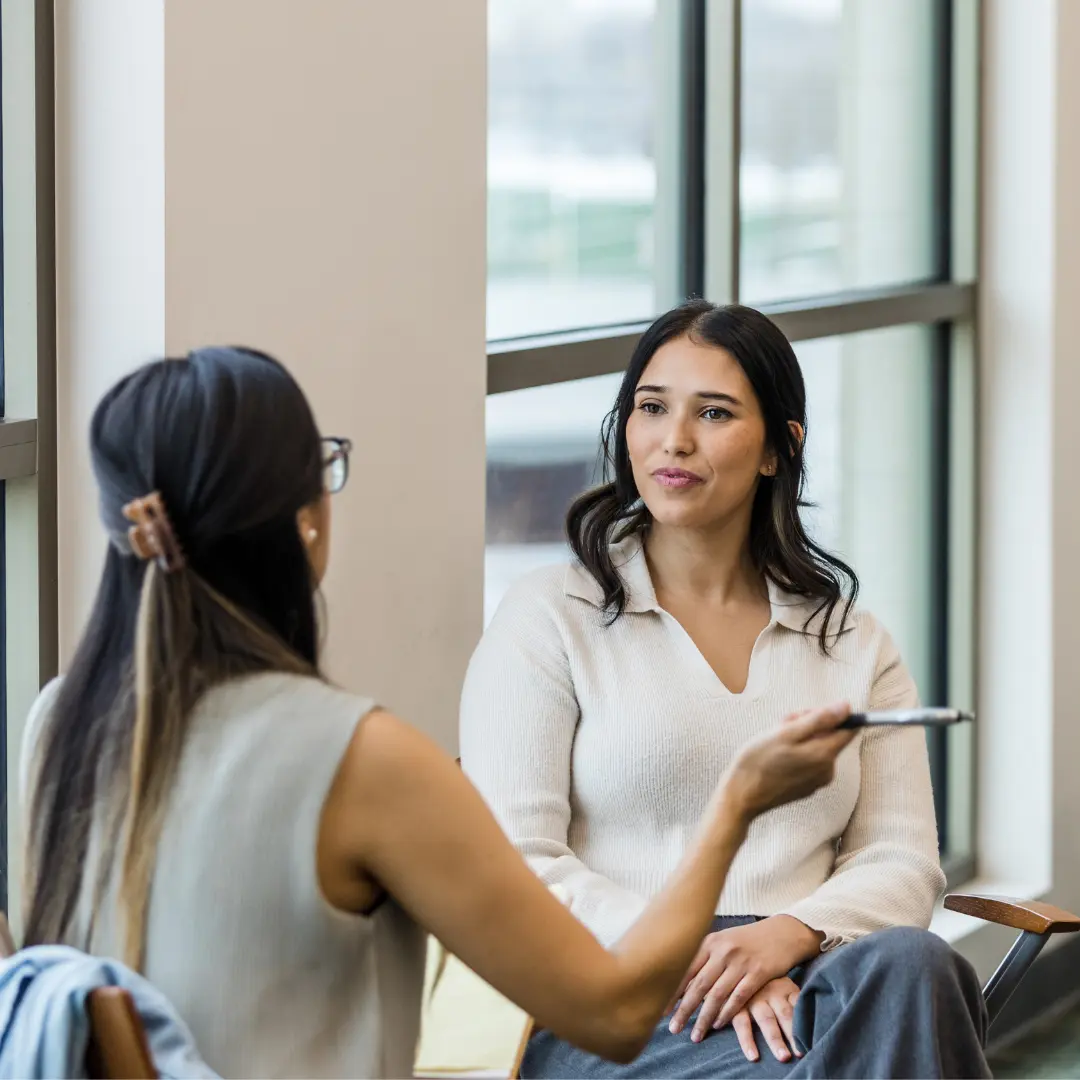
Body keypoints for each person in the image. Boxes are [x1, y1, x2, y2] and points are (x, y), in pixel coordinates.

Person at [19, 346, 856, 1080]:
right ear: (303, 522)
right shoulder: (358, 756)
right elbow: (612, 1014)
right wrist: (735, 805)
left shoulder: (60, 724)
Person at [460, 301, 991, 1080]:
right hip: (617, 993)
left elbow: (902, 862)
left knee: (917, 968)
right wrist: (700, 959)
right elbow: (516, 862)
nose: (673, 440)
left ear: (780, 447)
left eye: (713, 413)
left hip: (803, 976)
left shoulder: (849, 639)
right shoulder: (549, 615)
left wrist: (786, 936)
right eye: (650, 408)